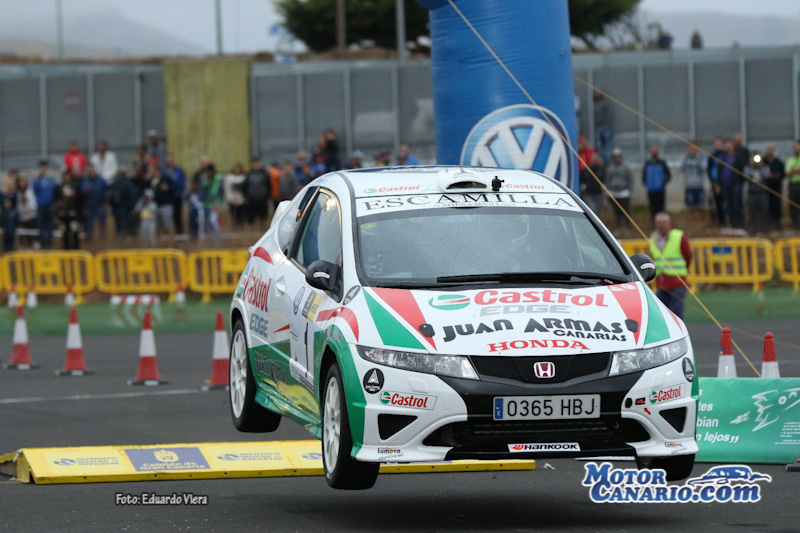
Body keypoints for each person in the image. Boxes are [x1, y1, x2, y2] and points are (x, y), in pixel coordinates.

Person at [650, 213, 692, 319]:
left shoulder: (678, 236)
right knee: (662, 314)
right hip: (661, 281)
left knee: (676, 314)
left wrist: (683, 270)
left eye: (663, 223)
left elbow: (688, 255)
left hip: (677, 281)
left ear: (669, 224)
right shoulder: (653, 239)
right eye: (659, 223)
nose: (661, 225)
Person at [605, 147, 633, 236]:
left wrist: (629, 190)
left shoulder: (626, 167)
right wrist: (608, 190)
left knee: (626, 211)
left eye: (618, 157)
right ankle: (618, 227)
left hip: (624, 193)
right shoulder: (610, 168)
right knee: (616, 212)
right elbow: (607, 179)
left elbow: (630, 179)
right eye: (615, 157)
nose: (617, 159)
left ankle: (627, 228)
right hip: (614, 193)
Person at [720, 138, 746, 229]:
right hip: (726, 186)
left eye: (730, 145)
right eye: (726, 146)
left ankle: (739, 225)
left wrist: (740, 183)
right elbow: (720, 171)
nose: (728, 147)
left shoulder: (738, 157)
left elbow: (743, 171)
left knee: (737, 205)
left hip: (736, 186)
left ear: (733, 146)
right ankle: (732, 224)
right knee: (729, 206)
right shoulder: (723, 158)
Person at [32, 160, 57, 249]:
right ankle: (42, 244)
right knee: (41, 226)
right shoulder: (36, 180)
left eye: (44, 167)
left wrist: (54, 204)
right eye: (41, 167)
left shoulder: (50, 180)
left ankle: (49, 244)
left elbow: (54, 193)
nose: (43, 169)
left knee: (50, 225)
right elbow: (34, 190)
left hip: (50, 206)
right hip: (41, 206)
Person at [55, 171, 83, 250]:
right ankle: (66, 249)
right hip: (63, 214)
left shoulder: (75, 187)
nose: (67, 179)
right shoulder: (59, 188)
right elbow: (56, 200)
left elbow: (79, 200)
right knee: (65, 232)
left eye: (68, 177)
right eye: (65, 177)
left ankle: (76, 248)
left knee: (74, 231)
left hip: (73, 213)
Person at [744, 152, 770, 235]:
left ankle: (764, 229)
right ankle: (753, 229)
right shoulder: (748, 167)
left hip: (762, 193)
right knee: (752, 212)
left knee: (764, 211)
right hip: (752, 193)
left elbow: (767, 175)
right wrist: (751, 165)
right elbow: (746, 175)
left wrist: (760, 166)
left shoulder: (764, 167)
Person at [642, 145, 671, 219]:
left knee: (661, 207)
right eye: (653, 151)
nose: (654, 153)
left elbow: (668, 175)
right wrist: (647, 184)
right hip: (651, 190)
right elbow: (644, 175)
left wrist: (663, 183)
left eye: (655, 151)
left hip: (660, 190)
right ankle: (653, 221)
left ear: (658, 152)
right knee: (652, 207)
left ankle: (662, 221)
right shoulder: (647, 163)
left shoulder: (662, 162)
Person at [81, 164, 108, 240]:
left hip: (100, 206)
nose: (92, 172)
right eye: (90, 171)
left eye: (93, 170)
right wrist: (87, 189)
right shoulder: (86, 180)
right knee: (89, 225)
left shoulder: (101, 180)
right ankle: (89, 239)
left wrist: (105, 202)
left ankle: (103, 239)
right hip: (89, 206)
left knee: (102, 224)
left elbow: (107, 190)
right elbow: (83, 192)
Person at [108, 167, 137, 237]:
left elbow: (109, 195)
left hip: (116, 209)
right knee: (125, 229)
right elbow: (133, 195)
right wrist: (132, 206)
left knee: (118, 228)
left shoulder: (114, 182)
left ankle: (119, 240)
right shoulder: (128, 182)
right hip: (126, 209)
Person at [150, 165, 175, 242]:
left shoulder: (165, 178)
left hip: (166, 205)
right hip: (157, 205)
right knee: (158, 227)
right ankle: (158, 244)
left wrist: (168, 188)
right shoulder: (153, 181)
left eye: (153, 171)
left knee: (168, 225)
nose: (151, 172)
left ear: (157, 171)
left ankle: (171, 242)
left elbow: (174, 187)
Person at [682, 142, 705, 223]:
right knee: (690, 206)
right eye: (691, 148)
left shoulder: (701, 157)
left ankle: (699, 221)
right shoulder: (686, 158)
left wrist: (698, 160)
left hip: (699, 186)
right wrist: (684, 158)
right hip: (689, 186)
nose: (693, 150)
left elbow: (704, 169)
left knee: (699, 206)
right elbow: (681, 169)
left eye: (695, 148)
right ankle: (691, 222)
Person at [163, 154, 186, 235]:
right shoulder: (164, 171)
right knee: (167, 216)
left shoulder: (179, 171)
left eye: (171, 160)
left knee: (177, 215)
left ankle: (179, 232)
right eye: (168, 160)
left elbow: (181, 184)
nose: (170, 162)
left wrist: (178, 192)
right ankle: (167, 233)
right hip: (167, 198)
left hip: (177, 197)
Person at [243, 157, 271, 225]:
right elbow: (245, 186)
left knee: (263, 217)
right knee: (251, 218)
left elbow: (269, 186)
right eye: (254, 164)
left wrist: (268, 197)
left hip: (262, 199)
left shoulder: (265, 174)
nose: (256, 166)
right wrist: (245, 197)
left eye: (257, 164)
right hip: (251, 199)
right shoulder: (249, 174)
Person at [763, 145, 785, 231]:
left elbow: (783, 173)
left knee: (777, 207)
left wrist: (777, 175)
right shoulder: (763, 161)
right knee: (767, 207)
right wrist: (768, 176)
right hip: (766, 189)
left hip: (776, 188)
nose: (769, 151)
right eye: (768, 149)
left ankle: (778, 224)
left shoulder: (778, 162)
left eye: (771, 149)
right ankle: (768, 225)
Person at [706, 137, 726, 226]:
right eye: (716, 144)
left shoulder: (726, 155)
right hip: (715, 184)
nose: (717, 146)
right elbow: (709, 170)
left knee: (727, 203)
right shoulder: (712, 156)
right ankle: (721, 222)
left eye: (719, 144)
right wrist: (713, 182)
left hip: (725, 183)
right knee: (718, 203)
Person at [15, 173, 37, 249]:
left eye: (23, 182)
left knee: (32, 234)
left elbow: (33, 205)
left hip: (31, 216)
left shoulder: (30, 192)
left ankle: (33, 245)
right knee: (23, 235)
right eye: (20, 182)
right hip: (22, 217)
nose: (22, 184)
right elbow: (18, 206)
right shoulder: (18, 194)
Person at [579, 152, 605, 216]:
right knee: (593, 209)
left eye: (595, 159)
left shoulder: (601, 170)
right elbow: (581, 180)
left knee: (598, 211)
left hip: (598, 193)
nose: (594, 161)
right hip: (588, 194)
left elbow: (604, 179)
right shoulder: (586, 170)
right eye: (593, 159)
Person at [593, 89, 614, 165]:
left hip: (606, 127)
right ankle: (602, 163)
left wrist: (607, 124)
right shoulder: (593, 104)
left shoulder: (605, 103)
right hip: (598, 128)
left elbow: (609, 115)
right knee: (599, 146)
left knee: (608, 146)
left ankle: (609, 162)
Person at [224, 162, 247, 228]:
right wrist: (230, 199)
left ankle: (241, 225)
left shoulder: (244, 177)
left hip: (241, 199)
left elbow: (246, 188)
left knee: (242, 214)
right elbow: (227, 189)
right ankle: (235, 225)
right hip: (233, 199)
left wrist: (245, 198)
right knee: (234, 214)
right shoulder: (229, 178)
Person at [1, 176, 17, 252]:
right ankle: (5, 249)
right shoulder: (2, 194)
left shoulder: (13, 194)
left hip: (11, 216)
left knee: (11, 234)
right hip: (4, 215)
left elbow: (14, 205)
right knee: (5, 235)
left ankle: (11, 249)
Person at [786, 140, 800, 230]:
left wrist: (793, 171)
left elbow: (791, 172)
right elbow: (787, 173)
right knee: (793, 206)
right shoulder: (790, 160)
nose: (796, 149)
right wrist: (797, 170)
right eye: (795, 148)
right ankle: (795, 226)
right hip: (793, 185)